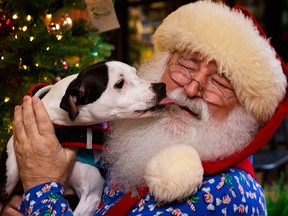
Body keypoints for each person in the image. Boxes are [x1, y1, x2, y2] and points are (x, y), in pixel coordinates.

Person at [2, 0, 288, 215]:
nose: (191, 89)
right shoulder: (129, 140)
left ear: (244, 114)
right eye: (186, 65)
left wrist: (42, 189)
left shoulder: (232, 193)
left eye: (220, 84)